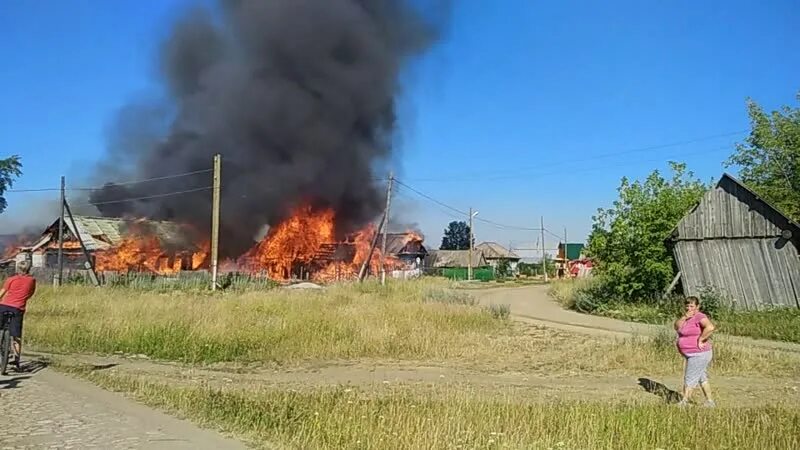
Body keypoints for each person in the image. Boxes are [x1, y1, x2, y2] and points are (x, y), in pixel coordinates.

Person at [674, 296, 716, 407]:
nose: (689, 308)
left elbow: (710, 327)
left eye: (691, 306)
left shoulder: (699, 316)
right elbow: (676, 327)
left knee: (690, 377)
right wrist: (684, 317)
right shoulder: (686, 318)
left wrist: (701, 339)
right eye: (687, 306)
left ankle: (685, 402)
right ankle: (710, 402)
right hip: (690, 354)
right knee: (702, 377)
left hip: (698, 354)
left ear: (697, 306)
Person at [0, 260, 37, 369]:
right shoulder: (32, 280)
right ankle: (16, 361)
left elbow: (2, 293)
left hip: (4, 306)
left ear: (17, 269)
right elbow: (30, 293)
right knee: (16, 336)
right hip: (18, 308)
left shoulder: (11, 279)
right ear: (29, 269)